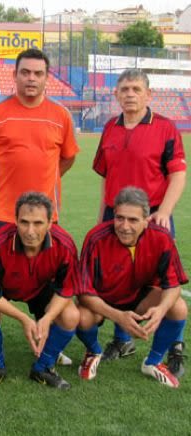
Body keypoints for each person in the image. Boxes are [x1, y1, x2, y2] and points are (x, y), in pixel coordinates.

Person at [92, 69, 187, 362]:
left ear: (148, 94)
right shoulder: (110, 127)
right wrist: (101, 217)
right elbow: (106, 177)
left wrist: (164, 212)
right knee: (118, 279)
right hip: (115, 215)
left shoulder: (165, 127)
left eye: (136, 89)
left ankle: (175, 345)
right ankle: (123, 340)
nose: (130, 94)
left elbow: (178, 174)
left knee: (162, 282)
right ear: (116, 94)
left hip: (152, 216)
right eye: (124, 89)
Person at [76, 187, 187, 387]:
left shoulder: (161, 237)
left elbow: (173, 285)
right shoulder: (96, 238)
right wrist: (119, 316)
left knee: (178, 308)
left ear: (146, 220)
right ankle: (93, 351)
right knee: (81, 317)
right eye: (120, 218)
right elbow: (83, 292)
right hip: (102, 300)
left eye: (133, 220)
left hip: (138, 296)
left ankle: (152, 362)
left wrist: (161, 310)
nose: (124, 226)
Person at [0, 48, 79, 240]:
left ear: (46, 78)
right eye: (25, 72)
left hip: (44, 214)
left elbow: (68, 157)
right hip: (2, 214)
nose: (31, 78)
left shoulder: (62, 115)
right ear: (15, 75)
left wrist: (47, 177)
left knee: (44, 261)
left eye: (38, 73)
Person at [0, 192, 80, 390]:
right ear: (15, 220)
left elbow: (67, 288)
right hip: (5, 288)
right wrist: (24, 319)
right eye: (24, 222)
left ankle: (43, 367)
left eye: (38, 223)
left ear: (50, 223)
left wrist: (48, 318)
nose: (30, 231)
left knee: (71, 315)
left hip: (42, 288)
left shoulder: (64, 244)